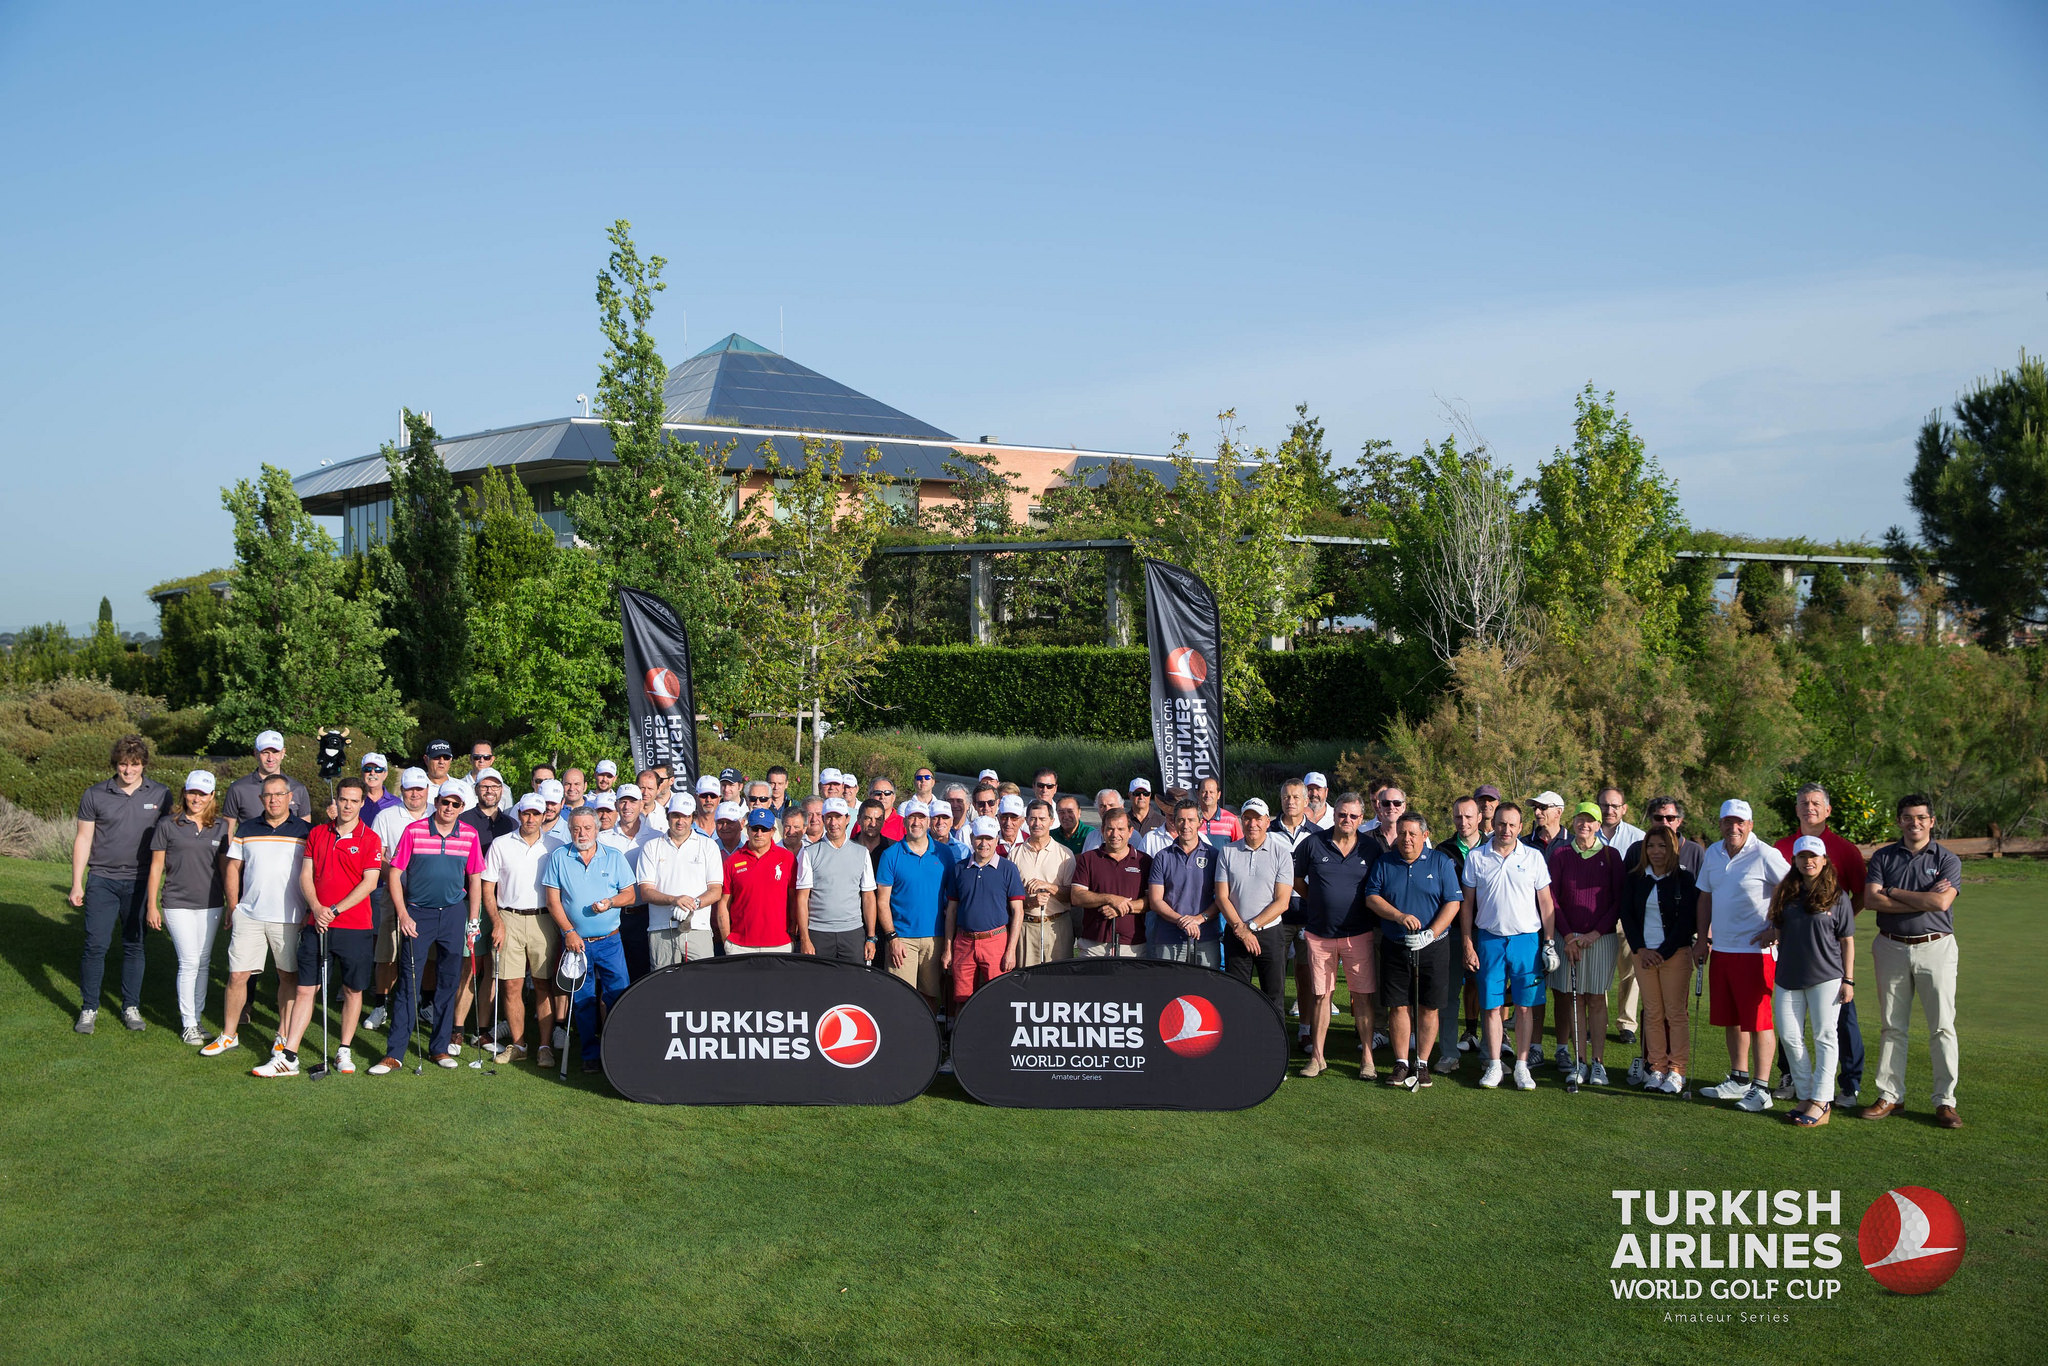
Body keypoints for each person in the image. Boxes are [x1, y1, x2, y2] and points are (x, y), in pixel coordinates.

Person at [253, 776, 383, 1077]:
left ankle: (344, 1050)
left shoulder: (370, 839)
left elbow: (370, 882)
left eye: (354, 800)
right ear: (335, 800)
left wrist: (335, 909)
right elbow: (306, 875)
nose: (347, 805)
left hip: (354, 925)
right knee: (305, 988)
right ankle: (290, 1056)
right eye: (343, 799)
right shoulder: (318, 834)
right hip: (317, 923)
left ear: (362, 803)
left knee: (352, 989)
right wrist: (317, 908)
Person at [1862, 793, 1963, 1128]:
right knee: (1893, 1025)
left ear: (1932, 821)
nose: (1914, 823)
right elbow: (1870, 900)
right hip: (1890, 946)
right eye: (1907, 817)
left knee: (1942, 1026)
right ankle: (1891, 1096)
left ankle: (1945, 1101)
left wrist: (1893, 891)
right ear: (1899, 821)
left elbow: (1940, 903)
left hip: (1936, 947)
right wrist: (1923, 898)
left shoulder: (1947, 859)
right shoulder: (1883, 856)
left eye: (1921, 817)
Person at [373, 782, 486, 1073]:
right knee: (409, 982)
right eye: (445, 802)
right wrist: (403, 914)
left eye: (456, 804)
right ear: (436, 802)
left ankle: (439, 1048)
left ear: (463, 807)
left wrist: (473, 920)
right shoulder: (414, 831)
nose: (449, 808)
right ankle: (395, 1053)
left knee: (448, 982)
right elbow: (395, 874)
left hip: (452, 914)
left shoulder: (470, 835)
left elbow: (474, 879)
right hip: (417, 914)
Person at [1772, 783, 1869, 1107]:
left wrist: (1835, 925)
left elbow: (1861, 894)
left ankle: (1848, 1085)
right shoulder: (1782, 846)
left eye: (1815, 803)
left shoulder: (1845, 849)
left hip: (1828, 962)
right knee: (1790, 1028)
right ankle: (1793, 1079)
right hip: (1791, 956)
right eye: (1803, 803)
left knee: (1840, 1024)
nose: (1809, 807)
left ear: (1827, 810)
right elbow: (1777, 897)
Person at [203, 774, 310, 1058]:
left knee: (287, 976)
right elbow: (232, 868)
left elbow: (312, 874)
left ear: (290, 797)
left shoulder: (305, 831)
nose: (273, 800)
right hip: (249, 915)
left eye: (279, 794)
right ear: (261, 799)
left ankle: (282, 1035)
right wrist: (234, 905)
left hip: (288, 916)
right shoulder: (247, 828)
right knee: (238, 976)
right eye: (268, 795)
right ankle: (229, 1035)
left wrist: (309, 909)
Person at [70, 734, 170, 1034]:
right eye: (123, 765)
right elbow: (84, 838)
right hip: (102, 880)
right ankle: (89, 1008)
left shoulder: (161, 794)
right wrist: (77, 883)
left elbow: (166, 843)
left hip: (140, 882)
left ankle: (131, 1006)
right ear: (116, 764)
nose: (128, 771)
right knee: (95, 946)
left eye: (135, 765)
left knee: (134, 945)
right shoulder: (95, 794)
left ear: (144, 765)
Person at [1695, 798, 1790, 1112]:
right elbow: (1705, 897)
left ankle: (1761, 1089)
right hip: (1722, 949)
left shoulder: (1765, 853)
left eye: (1740, 822)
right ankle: (1739, 1078)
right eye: (1727, 822)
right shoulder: (1713, 853)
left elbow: (1791, 887)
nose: (1733, 828)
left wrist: (1775, 926)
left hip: (1756, 952)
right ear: (1720, 824)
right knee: (1732, 1019)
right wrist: (1703, 938)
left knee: (1759, 1020)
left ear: (1750, 825)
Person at [1460, 801, 1558, 1091]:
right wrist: (1467, 941)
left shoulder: (1534, 857)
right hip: (1489, 939)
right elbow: (1466, 905)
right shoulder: (1477, 857)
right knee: (1491, 1006)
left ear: (1519, 826)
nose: (1506, 829)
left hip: (1527, 940)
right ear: (1494, 823)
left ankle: (1522, 1067)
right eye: (1501, 824)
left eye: (1512, 825)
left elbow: (1546, 903)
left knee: (1525, 1007)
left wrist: (1549, 942)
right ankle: (1493, 1064)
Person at [1760, 837, 1856, 1127]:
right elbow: (1776, 924)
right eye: (1802, 856)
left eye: (1813, 856)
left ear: (1824, 860)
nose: (1808, 861)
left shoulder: (1837, 897)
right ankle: (1806, 1094)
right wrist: (1772, 932)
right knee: (1789, 1036)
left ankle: (1822, 1100)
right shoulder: (1786, 893)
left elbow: (1847, 941)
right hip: (1788, 975)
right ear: (1795, 861)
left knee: (1824, 1036)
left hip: (1826, 977)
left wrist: (1848, 980)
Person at [1363, 811, 1463, 1087]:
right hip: (1396, 944)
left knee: (1429, 1007)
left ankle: (1421, 1064)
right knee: (1398, 1006)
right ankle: (1401, 1063)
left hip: (1433, 946)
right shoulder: (1385, 862)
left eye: (1412, 834)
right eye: (1402, 833)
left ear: (1425, 836)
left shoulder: (1441, 862)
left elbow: (1452, 903)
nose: (1406, 839)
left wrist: (1431, 933)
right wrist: (1397, 916)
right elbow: (1372, 897)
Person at [541, 809, 636, 1072]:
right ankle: (590, 1054)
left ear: (597, 829)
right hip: (576, 944)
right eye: (576, 829)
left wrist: (611, 902)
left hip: (610, 941)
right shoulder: (560, 857)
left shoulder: (613, 857)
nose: (581, 833)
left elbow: (630, 895)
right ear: (570, 830)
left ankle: (619, 1048)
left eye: (587, 828)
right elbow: (553, 901)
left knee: (618, 994)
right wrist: (569, 932)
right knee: (583, 1000)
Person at [1293, 792, 1379, 1077]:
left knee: (1362, 996)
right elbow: (1296, 880)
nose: (1347, 820)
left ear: (1361, 819)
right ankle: (1317, 1057)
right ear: (1335, 814)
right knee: (1321, 996)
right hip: (1320, 935)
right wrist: (1316, 902)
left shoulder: (1371, 848)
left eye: (1354, 816)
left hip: (1359, 934)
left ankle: (1367, 1056)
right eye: (1343, 814)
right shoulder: (1313, 844)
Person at [1545, 802, 1627, 1084]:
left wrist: (1595, 932)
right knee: (1576, 999)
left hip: (1600, 939)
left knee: (1596, 998)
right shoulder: (1561, 854)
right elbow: (1552, 899)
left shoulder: (1611, 855)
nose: (1585, 825)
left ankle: (1598, 1063)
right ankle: (1580, 1062)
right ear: (1574, 821)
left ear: (1598, 825)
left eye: (1590, 821)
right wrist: (1567, 935)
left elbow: (1618, 900)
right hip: (1568, 938)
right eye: (1581, 819)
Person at [145, 769, 228, 1044]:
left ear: (212, 796)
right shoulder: (168, 824)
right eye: (192, 792)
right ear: (185, 792)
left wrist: (231, 902)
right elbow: (156, 867)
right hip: (177, 902)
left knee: (203, 962)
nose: (196, 798)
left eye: (202, 794)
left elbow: (226, 868)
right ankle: (188, 1023)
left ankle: (198, 1018)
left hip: (211, 904)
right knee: (189, 961)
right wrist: (152, 905)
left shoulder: (221, 827)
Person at [1620, 824, 1700, 1095]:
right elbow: (1627, 916)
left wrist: (1661, 953)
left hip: (1675, 955)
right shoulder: (1635, 878)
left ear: (1672, 849)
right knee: (1652, 1013)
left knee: (1675, 1014)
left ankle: (1676, 1070)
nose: (1656, 851)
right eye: (1651, 846)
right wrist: (1641, 950)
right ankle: (1656, 1067)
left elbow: (1686, 922)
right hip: (1644, 956)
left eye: (1662, 846)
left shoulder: (1684, 880)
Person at [483, 793, 562, 1066]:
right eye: (526, 813)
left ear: (544, 816)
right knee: (511, 985)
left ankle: (544, 1046)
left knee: (543, 984)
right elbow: (488, 888)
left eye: (536, 814)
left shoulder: (556, 845)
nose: (530, 819)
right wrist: (496, 921)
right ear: (519, 814)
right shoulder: (501, 844)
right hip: (509, 918)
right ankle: (518, 1044)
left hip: (544, 919)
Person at [365, 768, 431, 1030]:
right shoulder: (386, 816)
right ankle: (381, 1005)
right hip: (393, 895)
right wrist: (395, 874)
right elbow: (376, 855)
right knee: (387, 953)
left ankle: (426, 1005)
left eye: (419, 788)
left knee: (428, 955)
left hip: (427, 898)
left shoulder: (436, 815)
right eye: (409, 788)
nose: (414, 793)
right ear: (401, 790)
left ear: (427, 790)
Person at [1218, 798, 1295, 1022]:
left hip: (1269, 934)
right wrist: (1240, 929)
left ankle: (1274, 1052)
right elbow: (1222, 896)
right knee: (1237, 995)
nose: (1253, 823)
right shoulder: (1228, 851)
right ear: (1241, 821)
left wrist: (1250, 927)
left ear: (1267, 822)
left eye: (1258, 818)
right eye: (1248, 818)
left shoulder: (1281, 853)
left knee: (1273, 997)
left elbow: (1282, 902)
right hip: (1236, 933)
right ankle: (1240, 1047)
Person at [875, 800, 956, 1009]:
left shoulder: (944, 854)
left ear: (928, 821)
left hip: (935, 938)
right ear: (905, 821)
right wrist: (892, 937)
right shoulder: (890, 855)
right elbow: (882, 901)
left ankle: (927, 1040)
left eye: (921, 817)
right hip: (902, 938)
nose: (917, 822)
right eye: (912, 817)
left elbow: (953, 901)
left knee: (930, 997)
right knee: (901, 997)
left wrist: (948, 943)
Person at [942, 816, 1026, 1002]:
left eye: (988, 838)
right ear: (972, 838)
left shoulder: (1008, 868)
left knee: (998, 997)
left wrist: (1010, 950)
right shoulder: (959, 868)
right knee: (962, 998)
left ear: (996, 839)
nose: (984, 843)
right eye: (979, 838)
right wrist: (948, 949)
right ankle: (963, 1032)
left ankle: (997, 1032)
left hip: (995, 941)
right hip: (964, 941)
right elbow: (952, 912)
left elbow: (1018, 912)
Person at [637, 793, 725, 967]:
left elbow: (716, 890)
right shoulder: (651, 847)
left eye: (685, 816)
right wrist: (675, 900)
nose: (680, 821)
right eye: (676, 815)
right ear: (668, 815)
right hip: (661, 928)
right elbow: (646, 892)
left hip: (698, 928)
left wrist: (693, 904)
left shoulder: (708, 846)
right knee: (663, 986)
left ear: (692, 817)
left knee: (702, 984)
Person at [795, 797, 877, 963]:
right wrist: (805, 938)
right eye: (829, 817)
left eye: (838, 817)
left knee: (854, 985)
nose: (833, 823)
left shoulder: (861, 853)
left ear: (847, 819)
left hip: (852, 933)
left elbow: (868, 897)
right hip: (818, 933)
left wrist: (871, 937)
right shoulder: (809, 853)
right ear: (823, 819)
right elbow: (802, 898)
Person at [1596, 786, 1647, 1046]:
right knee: (1600, 970)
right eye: (1605, 805)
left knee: (1630, 971)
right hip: (1596, 915)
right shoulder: (1586, 834)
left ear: (1624, 808)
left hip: (1628, 915)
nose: (1610, 810)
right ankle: (1598, 1020)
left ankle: (1627, 1023)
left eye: (1615, 805)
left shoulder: (1640, 838)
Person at [1436, 795, 1484, 1067]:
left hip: (1487, 932)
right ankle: (1448, 1052)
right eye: (1458, 816)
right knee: (1449, 993)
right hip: (1452, 933)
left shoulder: (1494, 847)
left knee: (1490, 994)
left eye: (1468, 816)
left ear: (1479, 818)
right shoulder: (1443, 851)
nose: (1463, 822)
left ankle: (1491, 1055)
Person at [1144, 800, 1221, 966]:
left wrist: (1200, 919)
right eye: (1181, 820)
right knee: (1171, 990)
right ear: (1174, 822)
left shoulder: (1215, 856)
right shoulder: (1162, 857)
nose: (1186, 825)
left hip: (1206, 936)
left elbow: (1222, 897)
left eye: (1191, 820)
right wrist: (1182, 920)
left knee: (1206, 989)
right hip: (1169, 937)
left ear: (1200, 822)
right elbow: (1156, 901)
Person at [1069, 808, 1149, 958]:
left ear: (1130, 832)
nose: (1115, 834)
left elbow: (1151, 901)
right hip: (1094, 945)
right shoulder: (1088, 859)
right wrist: (1110, 899)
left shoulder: (1144, 861)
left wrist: (1121, 907)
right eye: (1110, 829)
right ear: (1103, 831)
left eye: (1121, 829)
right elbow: (1076, 896)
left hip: (1132, 945)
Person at [720, 810, 798, 954]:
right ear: (748, 830)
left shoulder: (788, 859)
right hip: (740, 946)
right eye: (755, 828)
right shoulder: (732, 861)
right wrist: (727, 940)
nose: (759, 833)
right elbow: (724, 903)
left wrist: (792, 933)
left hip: (779, 944)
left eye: (765, 829)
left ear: (773, 831)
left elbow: (794, 900)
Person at [1012, 798, 1077, 965]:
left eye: (1042, 819)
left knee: (1058, 981)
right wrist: (1030, 902)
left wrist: (1049, 887)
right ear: (1026, 821)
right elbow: (1008, 898)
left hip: (1057, 926)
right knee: (1027, 982)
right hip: (1026, 927)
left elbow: (1072, 896)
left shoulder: (1065, 854)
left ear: (1052, 821)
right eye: (1032, 818)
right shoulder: (1014, 854)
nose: (1037, 823)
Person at [221, 730, 311, 823]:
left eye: (275, 752)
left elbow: (305, 831)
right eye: (265, 752)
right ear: (256, 754)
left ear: (283, 753)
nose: (270, 758)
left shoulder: (298, 789)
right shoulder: (238, 789)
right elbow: (228, 832)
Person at [1641, 797, 1703, 874]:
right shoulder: (1637, 849)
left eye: (1670, 818)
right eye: (1658, 818)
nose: (1664, 822)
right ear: (1651, 820)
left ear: (1679, 821)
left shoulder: (1694, 851)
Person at [420, 740, 475, 813]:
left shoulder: (465, 788)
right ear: (426, 759)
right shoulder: (416, 789)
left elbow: (470, 817)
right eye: (436, 757)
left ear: (451, 760)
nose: (441, 762)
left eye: (446, 757)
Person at [360, 753, 399, 817]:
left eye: (378, 769)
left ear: (385, 774)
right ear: (362, 773)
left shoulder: (396, 803)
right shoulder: (354, 800)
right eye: (367, 769)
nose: (372, 773)